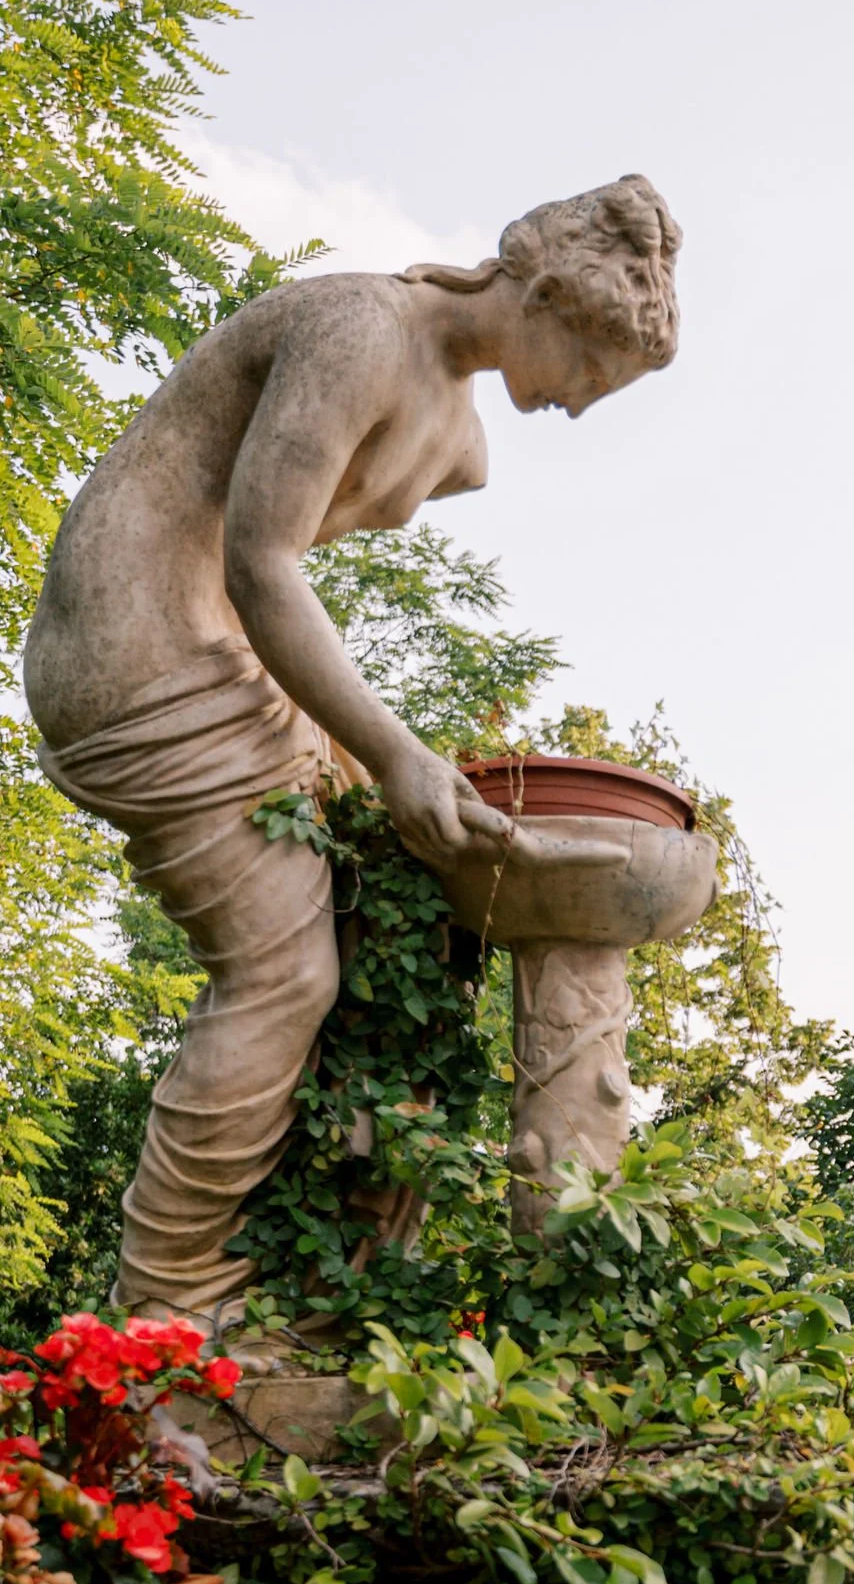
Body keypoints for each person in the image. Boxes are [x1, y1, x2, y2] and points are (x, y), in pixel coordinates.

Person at [24, 174, 681, 1328]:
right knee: (285, 972)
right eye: (588, 368)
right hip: (135, 638)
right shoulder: (358, 329)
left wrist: (386, 760)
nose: (580, 404)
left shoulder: (462, 434)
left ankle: (336, 1301)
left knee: (405, 924)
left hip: (220, 650)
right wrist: (390, 754)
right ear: (544, 294)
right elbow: (261, 560)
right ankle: (163, 1325)